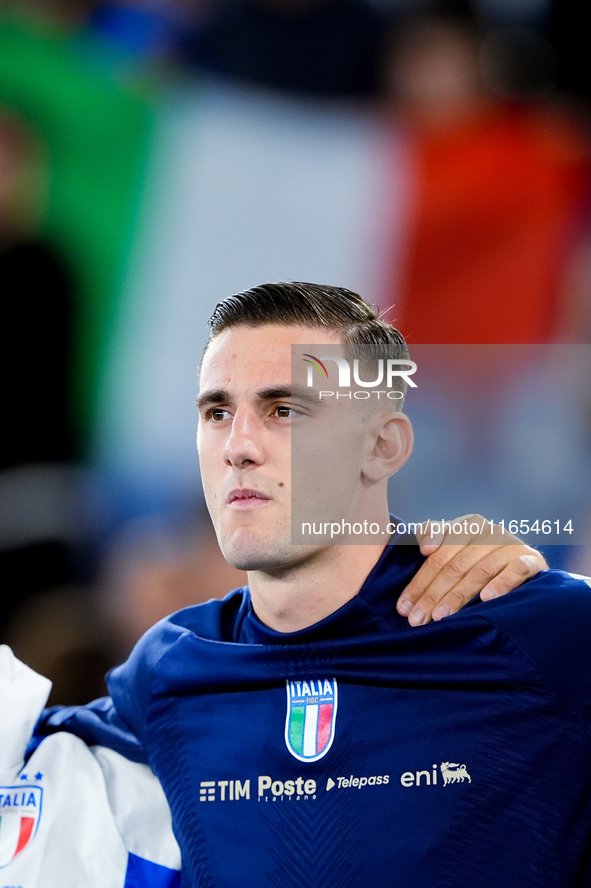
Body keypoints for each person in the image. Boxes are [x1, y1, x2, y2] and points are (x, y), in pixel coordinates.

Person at [9, 282, 590, 887]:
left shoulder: (537, 630)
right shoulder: (171, 666)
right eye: (216, 413)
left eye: (284, 409)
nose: (239, 447)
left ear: (383, 445)